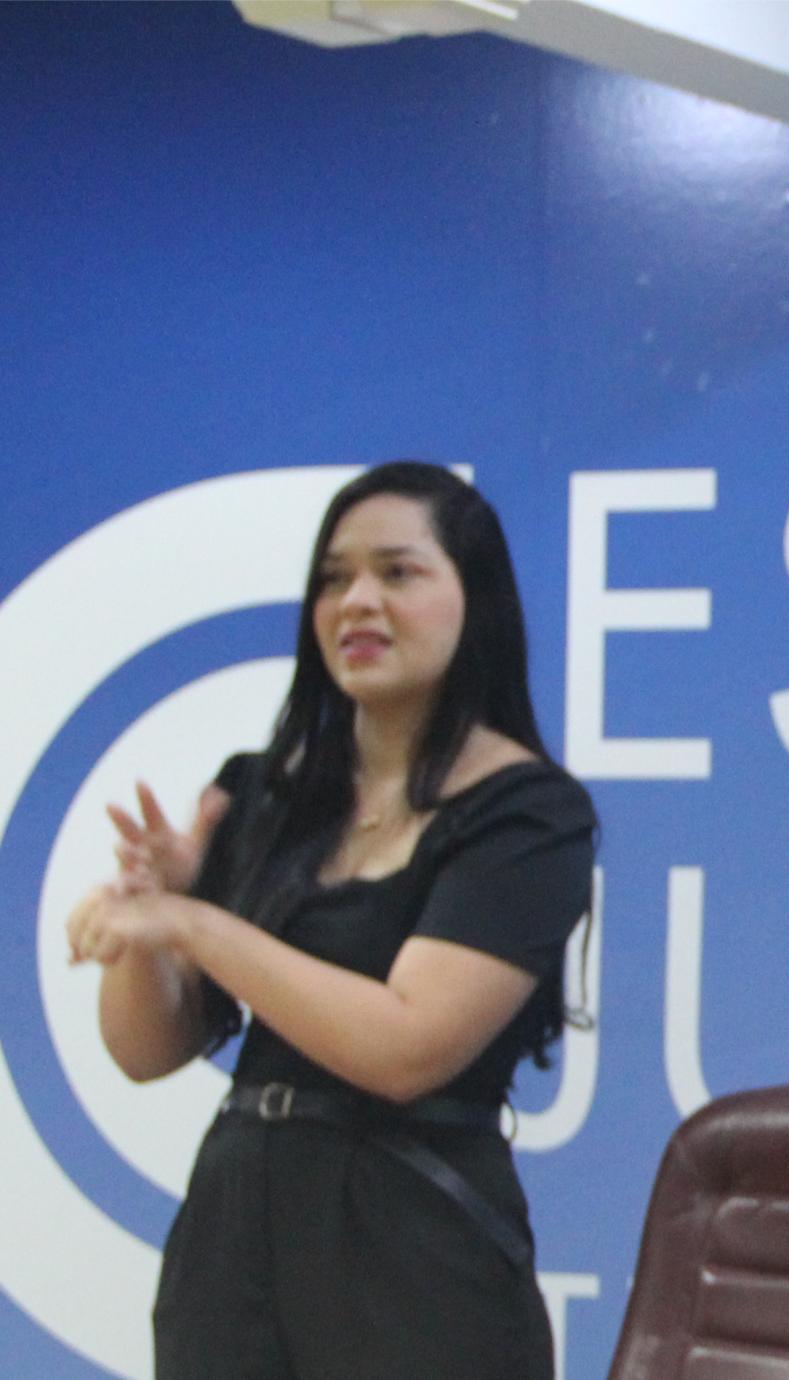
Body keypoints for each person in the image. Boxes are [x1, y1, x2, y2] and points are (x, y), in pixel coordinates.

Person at [66, 461, 596, 1380]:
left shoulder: (530, 815)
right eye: (332, 579)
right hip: (236, 1231)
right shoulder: (263, 792)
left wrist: (197, 926)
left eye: (397, 573)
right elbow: (144, 1049)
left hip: (415, 1239)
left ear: (476, 599)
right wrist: (146, 924)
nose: (356, 601)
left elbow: (408, 1046)